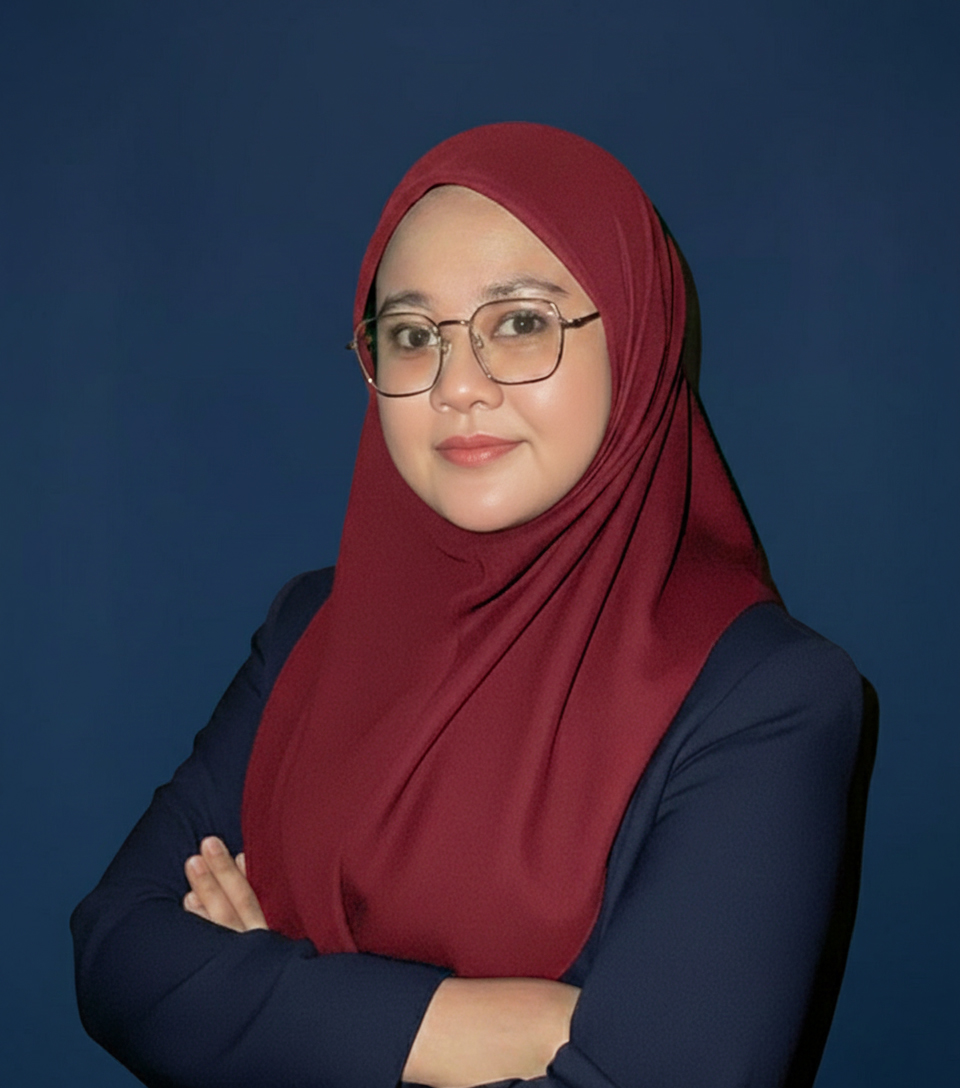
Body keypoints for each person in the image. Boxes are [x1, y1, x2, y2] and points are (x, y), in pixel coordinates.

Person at [71, 123, 878, 1088]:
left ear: (637, 340)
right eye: (414, 336)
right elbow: (114, 951)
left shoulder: (770, 700)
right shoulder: (309, 629)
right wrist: (479, 1025)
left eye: (522, 322)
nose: (457, 386)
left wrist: (256, 1000)